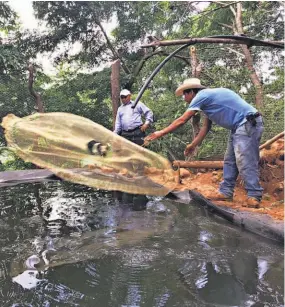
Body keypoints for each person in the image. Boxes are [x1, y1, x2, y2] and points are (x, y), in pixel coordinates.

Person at [145, 78, 264, 208]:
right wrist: (193, 144)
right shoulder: (208, 100)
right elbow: (205, 127)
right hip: (238, 127)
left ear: (191, 92)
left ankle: (254, 195)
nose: (184, 97)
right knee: (230, 160)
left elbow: (182, 120)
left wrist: (160, 132)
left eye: (185, 93)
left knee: (244, 160)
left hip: (248, 123)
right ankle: (226, 192)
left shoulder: (202, 96)